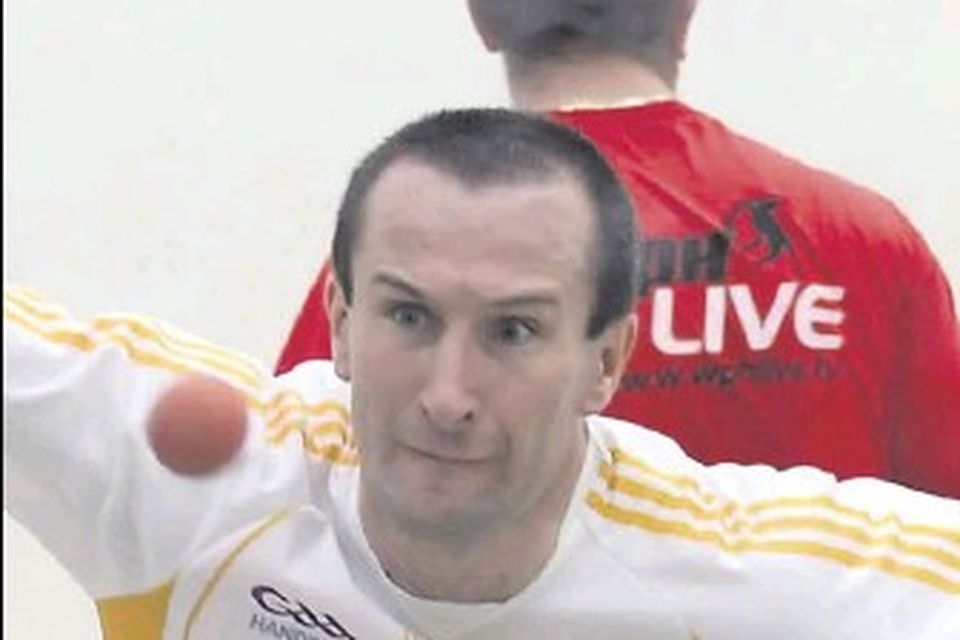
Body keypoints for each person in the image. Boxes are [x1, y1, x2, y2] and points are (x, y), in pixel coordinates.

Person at [6, 109, 959, 640]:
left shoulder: (755, 579)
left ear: (607, 362)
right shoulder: (198, 484)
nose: (447, 395)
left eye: (512, 331)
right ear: (340, 323)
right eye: (409, 316)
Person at [276, 0, 960, 497]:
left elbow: (293, 509)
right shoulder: (866, 240)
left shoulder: (406, 261)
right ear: (684, 15)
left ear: (484, 18)